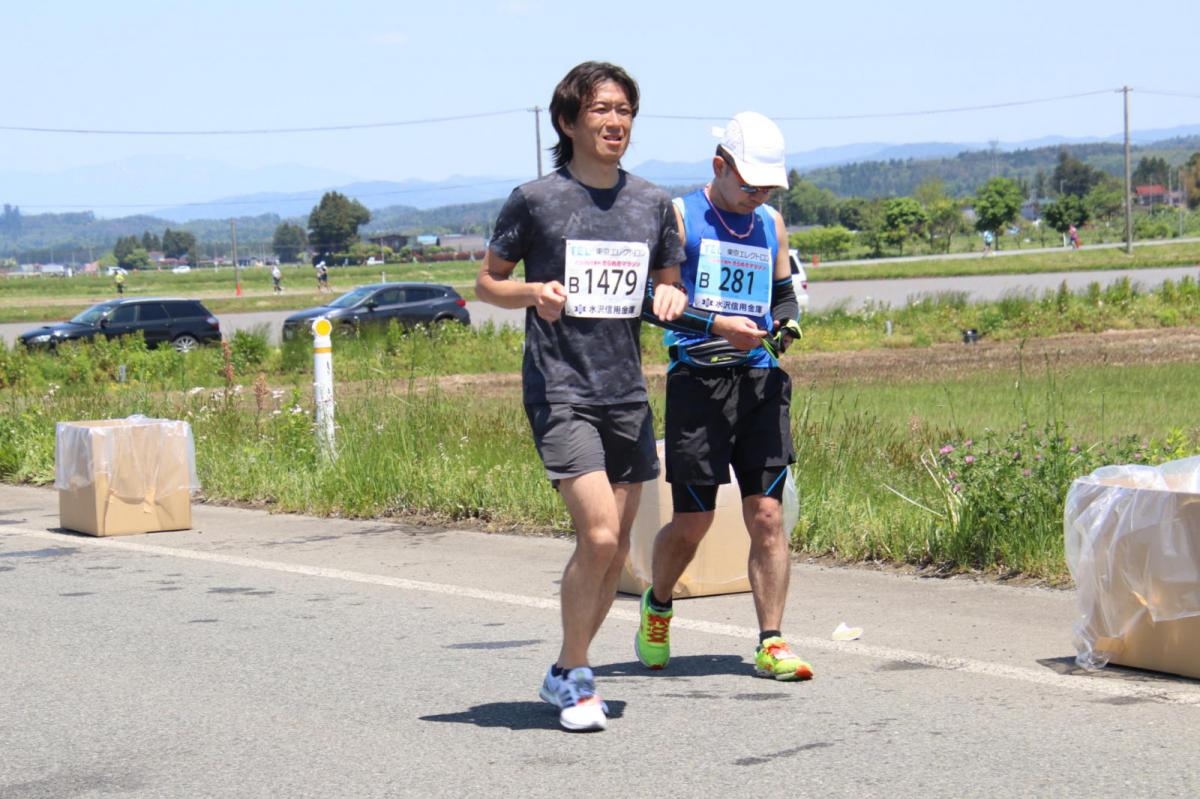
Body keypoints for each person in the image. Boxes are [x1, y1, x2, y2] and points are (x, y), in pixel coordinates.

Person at [475, 61, 687, 732]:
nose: (614, 121)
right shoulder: (536, 200)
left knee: (615, 547)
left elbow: (663, 292)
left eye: (624, 110)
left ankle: (566, 671)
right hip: (560, 386)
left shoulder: (653, 203)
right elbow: (487, 282)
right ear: (568, 121)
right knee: (596, 535)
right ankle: (576, 671)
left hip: (625, 390)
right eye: (600, 109)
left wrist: (671, 297)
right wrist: (533, 293)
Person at [634, 112, 814, 683]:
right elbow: (649, 300)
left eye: (766, 186)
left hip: (759, 381)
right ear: (719, 166)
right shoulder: (680, 218)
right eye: (748, 183)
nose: (757, 195)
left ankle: (772, 641)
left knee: (767, 514)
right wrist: (716, 325)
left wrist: (785, 326)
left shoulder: (771, 223)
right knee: (693, 523)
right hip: (699, 385)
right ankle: (659, 604)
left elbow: (784, 295)